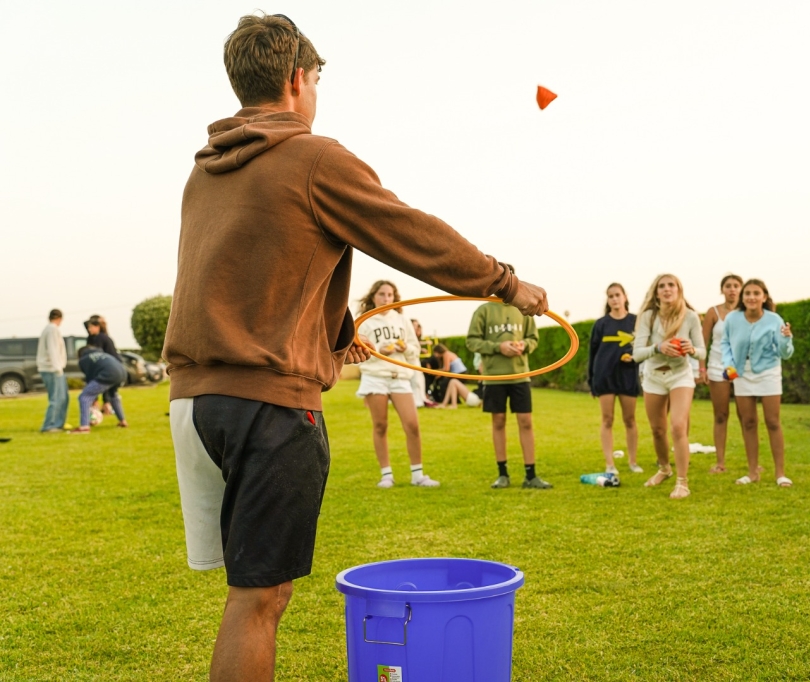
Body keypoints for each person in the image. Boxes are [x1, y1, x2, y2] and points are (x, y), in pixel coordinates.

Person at [162, 13, 548, 682]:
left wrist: (337, 343)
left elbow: (258, 274)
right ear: (296, 79)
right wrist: (505, 283)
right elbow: (411, 235)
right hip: (266, 407)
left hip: (195, 406)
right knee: (261, 599)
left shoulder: (206, 172)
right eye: (316, 80)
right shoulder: (312, 156)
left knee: (250, 595)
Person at [356, 280, 439, 488]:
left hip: (399, 376)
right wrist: (379, 351)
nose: (386, 299)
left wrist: (404, 349)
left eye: (390, 295)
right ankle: (386, 475)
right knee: (380, 425)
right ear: (373, 297)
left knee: (412, 424)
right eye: (382, 294)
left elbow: (414, 348)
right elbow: (360, 354)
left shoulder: (402, 320)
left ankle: (417, 474)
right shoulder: (364, 322)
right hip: (375, 376)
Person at [466, 291, 552, 489]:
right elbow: (471, 341)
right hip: (494, 376)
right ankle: (502, 474)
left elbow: (533, 338)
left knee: (526, 422)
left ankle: (531, 475)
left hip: (520, 375)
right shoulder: (483, 310)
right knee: (498, 421)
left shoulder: (523, 310)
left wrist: (524, 345)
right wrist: (499, 347)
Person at [631, 274, 705, 499]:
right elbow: (636, 354)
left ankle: (682, 482)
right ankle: (664, 468)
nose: (666, 289)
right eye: (661, 286)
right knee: (657, 429)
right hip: (653, 377)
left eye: (671, 285)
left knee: (678, 427)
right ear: (656, 292)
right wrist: (658, 347)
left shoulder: (690, 317)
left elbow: (702, 352)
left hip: (680, 376)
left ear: (678, 289)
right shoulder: (647, 317)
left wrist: (691, 349)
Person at [720, 278, 794, 487]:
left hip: (768, 372)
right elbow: (725, 342)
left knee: (772, 421)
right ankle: (753, 472)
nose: (752, 297)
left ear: (764, 297)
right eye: (748, 293)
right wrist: (729, 365)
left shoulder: (774, 319)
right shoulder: (732, 319)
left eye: (756, 293)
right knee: (748, 422)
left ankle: (780, 474)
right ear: (742, 298)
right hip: (742, 373)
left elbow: (784, 353)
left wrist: (787, 339)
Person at [588, 283, 641, 475]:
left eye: (617, 295)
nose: (614, 299)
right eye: (610, 296)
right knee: (607, 420)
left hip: (628, 376)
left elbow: (643, 348)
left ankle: (633, 462)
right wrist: (591, 381)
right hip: (605, 377)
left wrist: (633, 358)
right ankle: (610, 464)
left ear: (625, 296)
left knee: (630, 420)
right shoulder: (601, 324)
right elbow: (592, 354)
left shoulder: (636, 321)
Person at [700, 274, 743, 474]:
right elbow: (703, 342)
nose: (732, 289)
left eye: (736, 286)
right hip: (718, 367)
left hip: (743, 368)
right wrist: (701, 368)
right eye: (728, 286)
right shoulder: (713, 312)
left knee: (747, 415)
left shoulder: (748, 311)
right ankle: (720, 462)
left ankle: (753, 461)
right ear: (722, 290)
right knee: (721, 414)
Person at [70, 346, 128, 433]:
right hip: (122, 373)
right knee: (113, 395)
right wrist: (105, 400)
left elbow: (90, 377)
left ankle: (84, 427)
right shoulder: (103, 354)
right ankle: (123, 421)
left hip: (108, 374)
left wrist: (95, 399)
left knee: (85, 396)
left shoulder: (84, 360)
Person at [37, 309, 68, 433]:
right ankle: (50, 425)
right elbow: (53, 349)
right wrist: (57, 368)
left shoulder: (49, 329)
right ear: (60, 318)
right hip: (52, 369)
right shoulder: (52, 330)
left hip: (52, 368)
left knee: (63, 397)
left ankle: (58, 423)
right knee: (57, 398)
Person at [85, 315, 120, 415]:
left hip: (112, 368)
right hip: (116, 368)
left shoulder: (99, 338)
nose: (88, 329)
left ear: (97, 327)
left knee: (106, 389)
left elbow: (98, 354)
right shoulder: (102, 336)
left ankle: (105, 408)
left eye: (91, 327)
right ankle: (119, 417)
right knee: (111, 393)